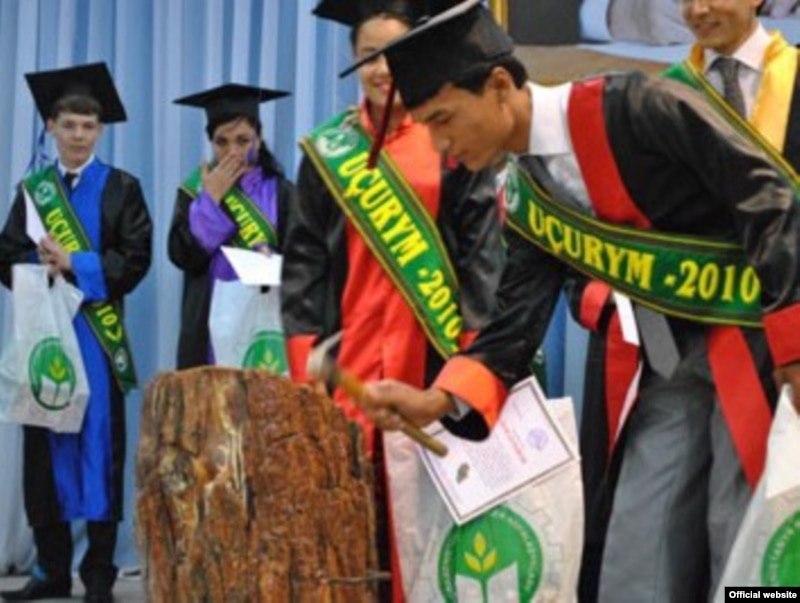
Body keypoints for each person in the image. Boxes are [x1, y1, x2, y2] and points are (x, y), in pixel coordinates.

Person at [355, 1, 800, 601]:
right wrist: (437, 399)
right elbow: (515, 321)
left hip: (755, 352)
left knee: (745, 540)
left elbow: (770, 199)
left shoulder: (638, 106)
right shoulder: (527, 193)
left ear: (500, 85)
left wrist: (794, 347)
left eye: (443, 119)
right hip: (668, 364)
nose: (439, 144)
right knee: (638, 549)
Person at [570, 0, 800, 598]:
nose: (697, 10)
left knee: (751, 523)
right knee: (645, 519)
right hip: (674, 345)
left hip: (775, 345)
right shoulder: (657, 96)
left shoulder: (796, 82)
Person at [280, 1, 504, 599]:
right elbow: (304, 261)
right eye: (367, 56)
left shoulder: (450, 140)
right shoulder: (326, 152)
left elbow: (481, 254)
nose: (382, 69)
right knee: (350, 512)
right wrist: (305, 358)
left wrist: (475, 356)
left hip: (432, 360)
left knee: (431, 518)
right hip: (347, 362)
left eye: (393, 54)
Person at [0, 63, 152, 603]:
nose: (79, 135)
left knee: (98, 453)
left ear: (100, 130)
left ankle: (100, 575)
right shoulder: (33, 191)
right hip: (47, 338)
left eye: (88, 126)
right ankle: (50, 571)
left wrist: (76, 263)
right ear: (51, 126)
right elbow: (7, 253)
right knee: (46, 449)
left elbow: (135, 259)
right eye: (69, 125)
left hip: (96, 340)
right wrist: (39, 267)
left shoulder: (122, 188)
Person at [168, 84, 294, 370]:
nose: (232, 152)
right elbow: (180, 255)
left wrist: (273, 258)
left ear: (259, 139)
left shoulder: (283, 193)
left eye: (243, 140)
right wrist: (210, 201)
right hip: (209, 326)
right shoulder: (194, 190)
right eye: (221, 142)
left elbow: (305, 260)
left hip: (265, 322)